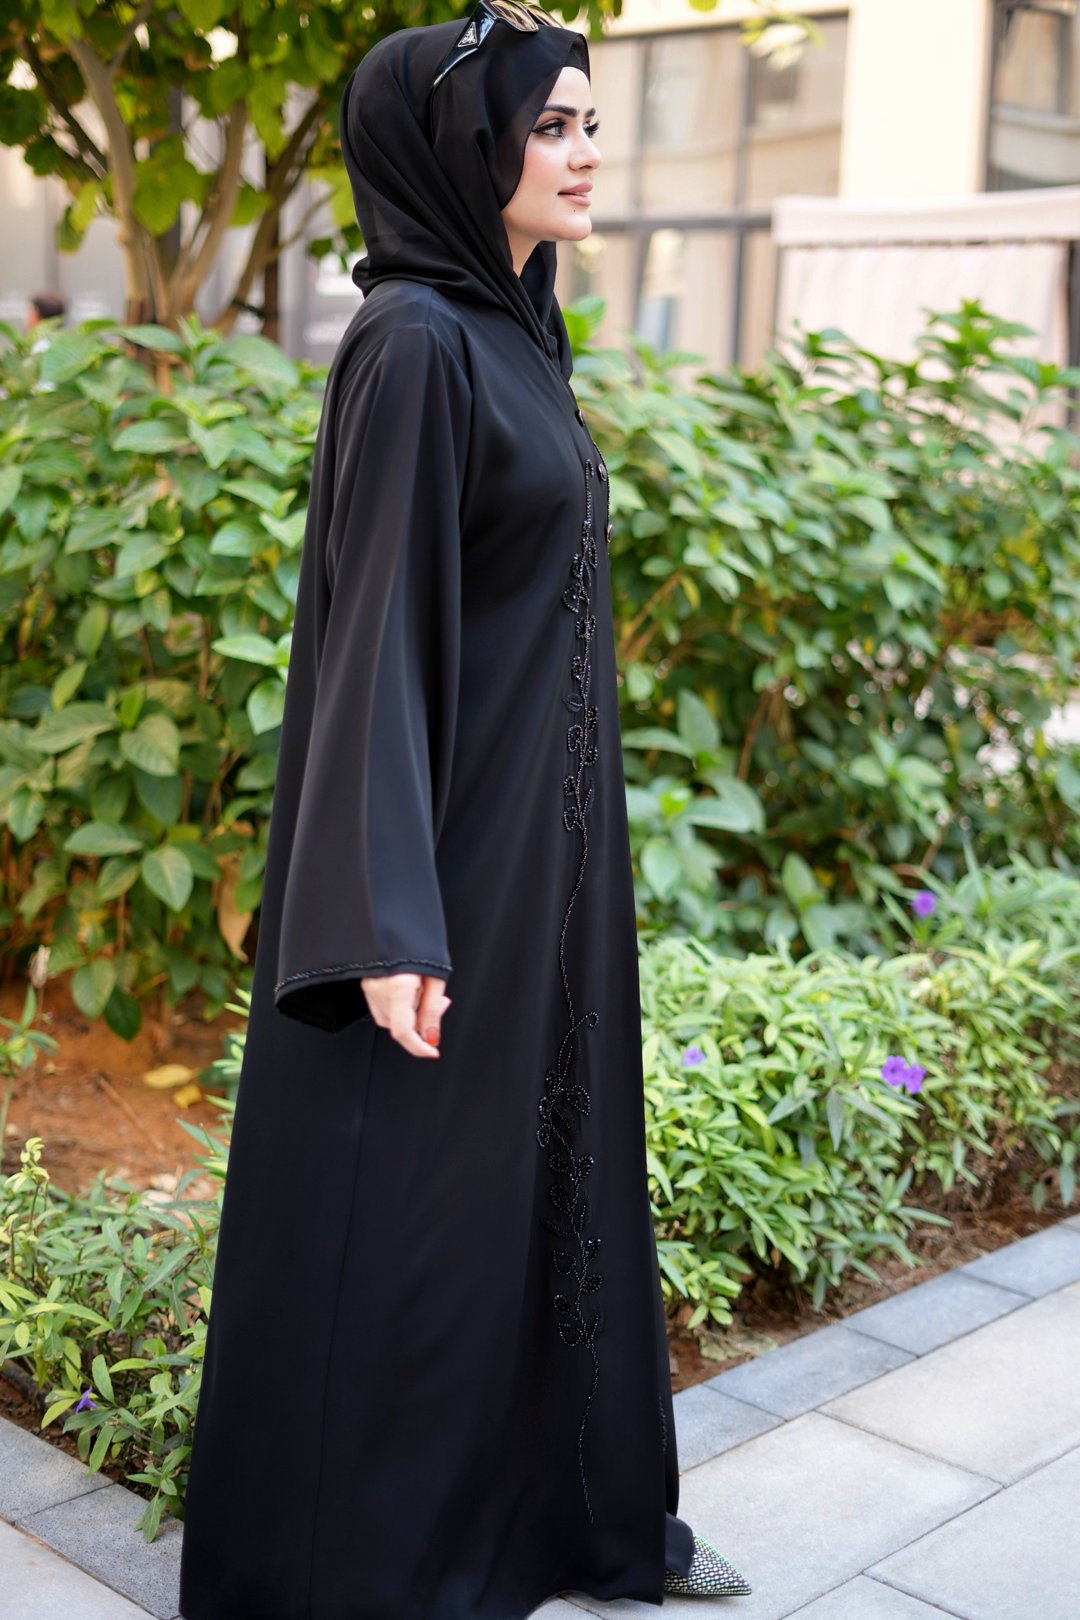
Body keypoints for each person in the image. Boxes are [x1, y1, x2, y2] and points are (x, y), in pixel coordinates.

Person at [178, 6, 750, 1617]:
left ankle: (557, 1517)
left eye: (587, 121)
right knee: (417, 1209)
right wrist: (384, 919)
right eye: (552, 123)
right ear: (460, 146)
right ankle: (362, 1565)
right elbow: (376, 647)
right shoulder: (417, 342)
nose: (584, 150)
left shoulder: (514, 333)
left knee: (540, 1178)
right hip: (448, 863)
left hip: (544, 853)